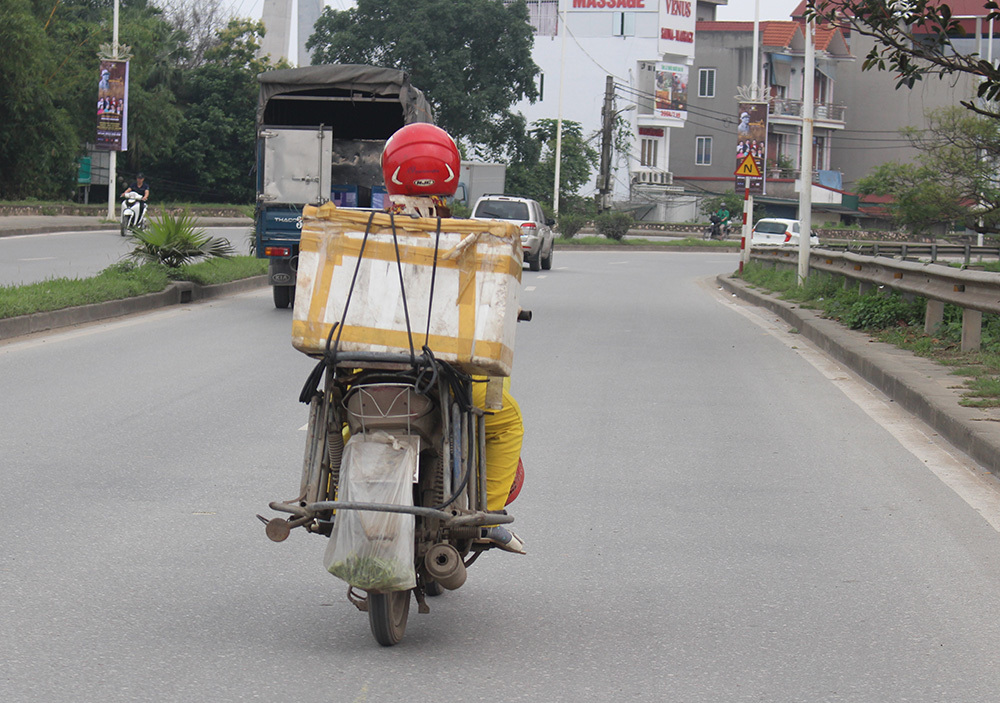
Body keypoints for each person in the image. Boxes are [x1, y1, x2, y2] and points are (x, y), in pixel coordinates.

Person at [379, 123, 526, 554]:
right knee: (504, 421)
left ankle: (335, 489)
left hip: (369, 367)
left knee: (350, 421)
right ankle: (491, 516)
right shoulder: (467, 237)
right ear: (450, 175)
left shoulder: (362, 231)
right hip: (442, 369)